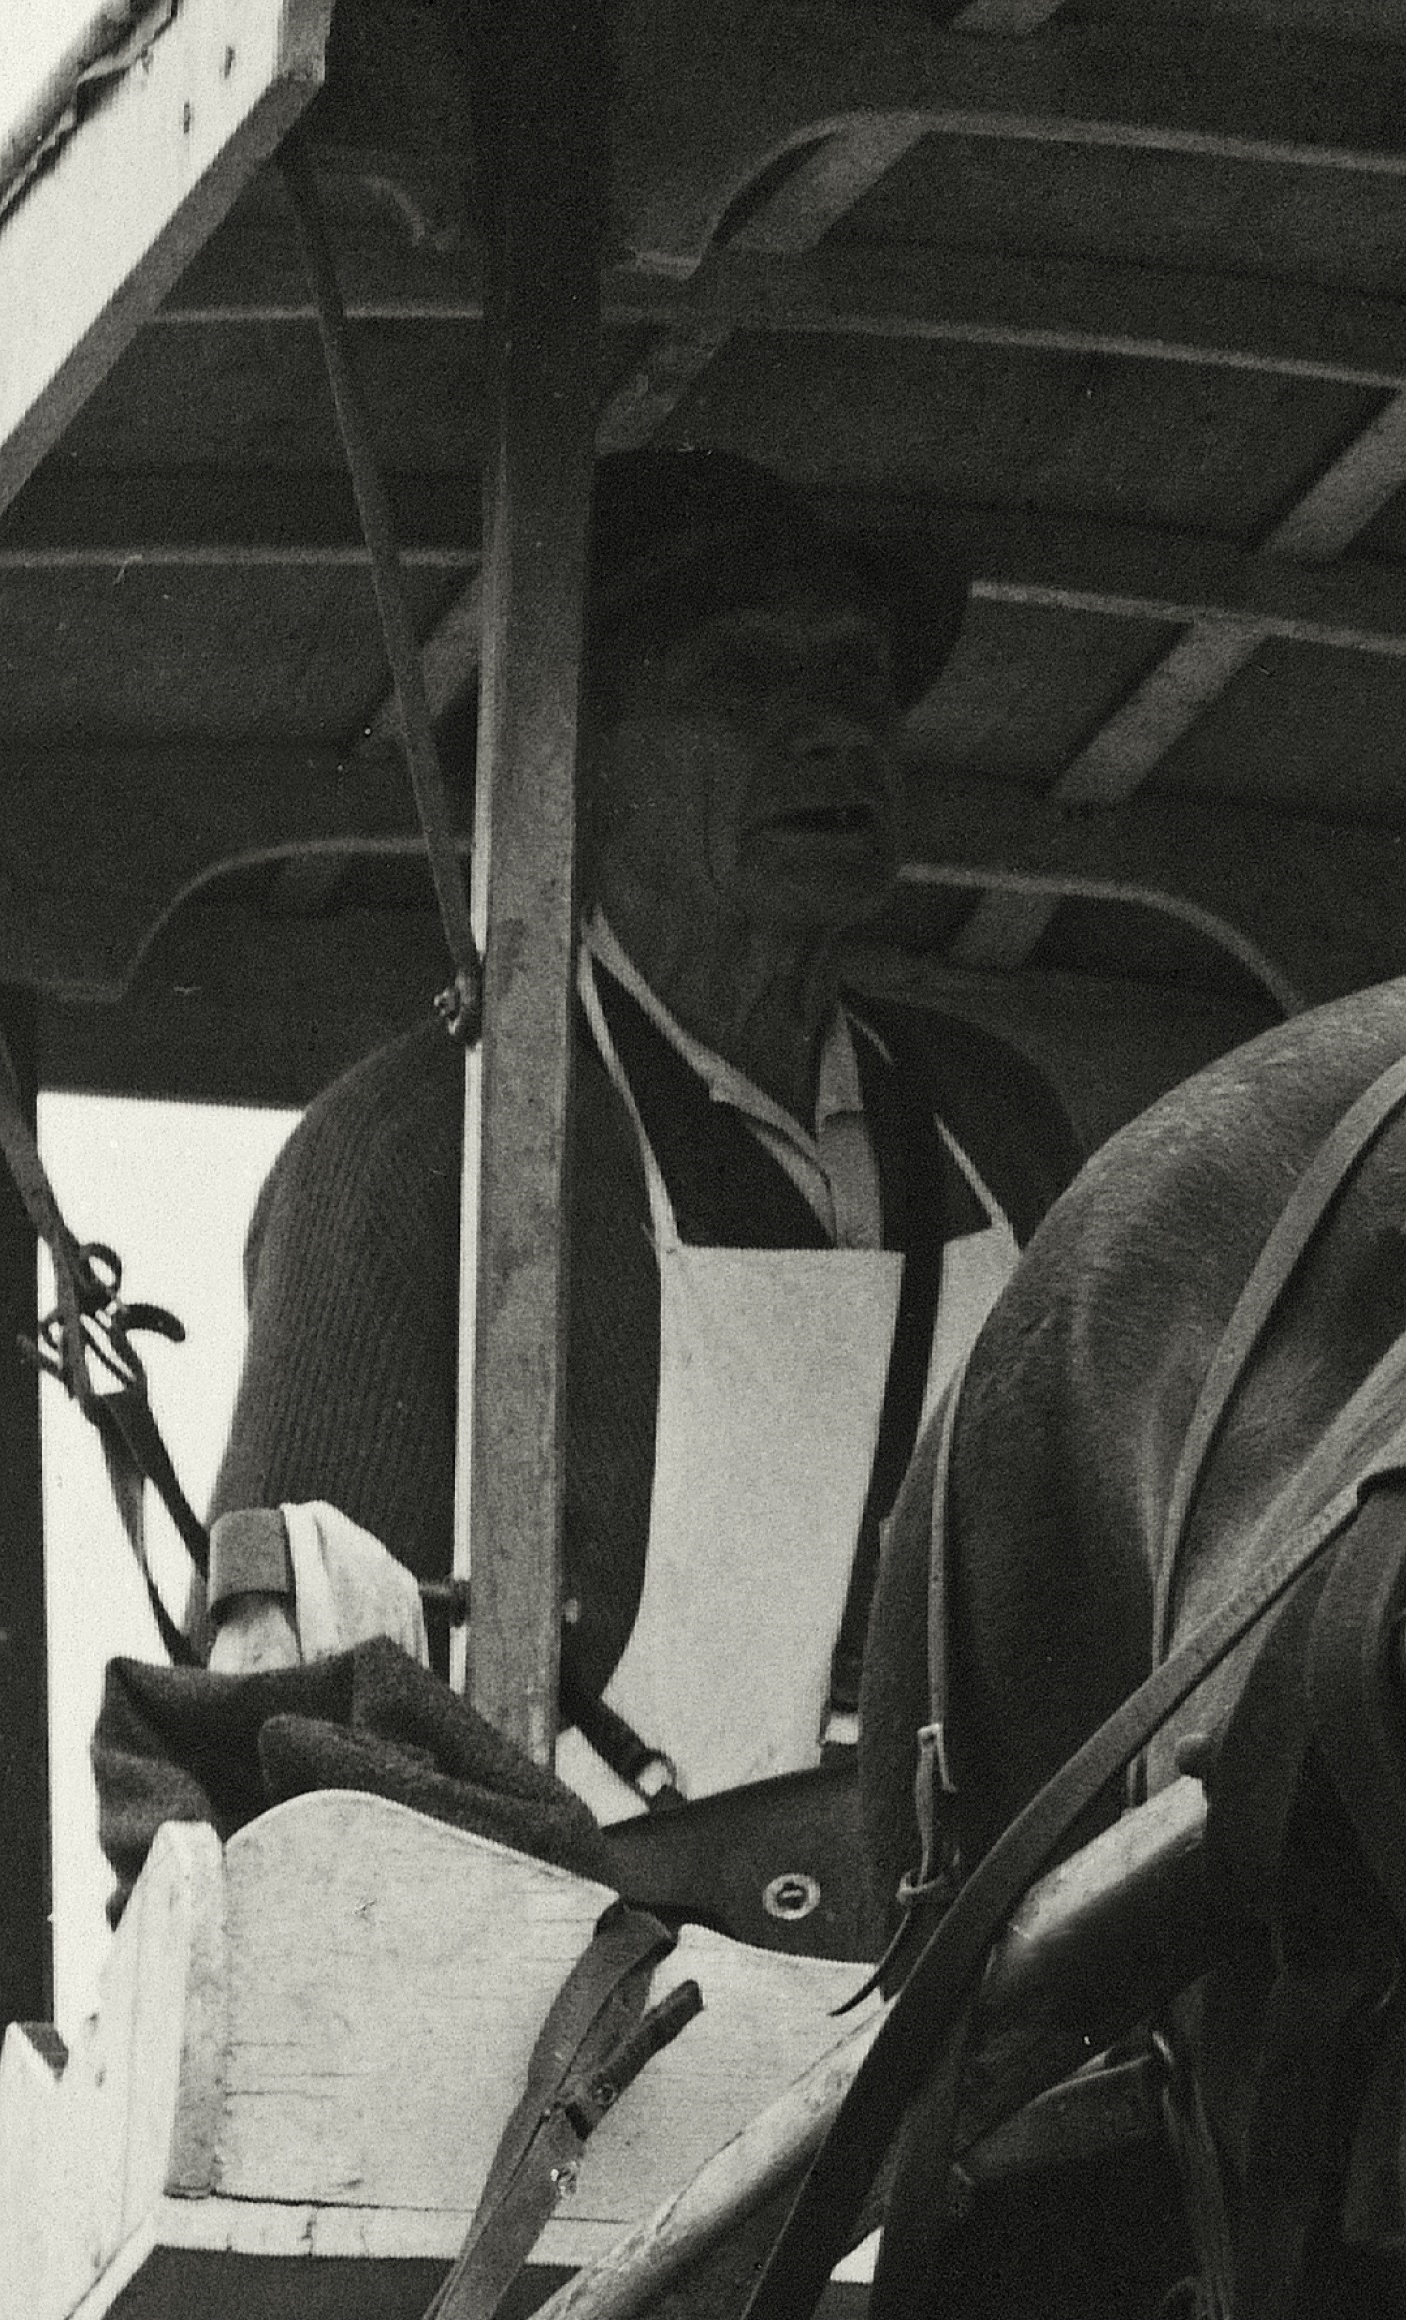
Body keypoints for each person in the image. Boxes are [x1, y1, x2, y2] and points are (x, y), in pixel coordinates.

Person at [207, 450, 1076, 1926]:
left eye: (859, 681)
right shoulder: (423, 1147)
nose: (832, 733)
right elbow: (282, 1714)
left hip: (1007, 1986)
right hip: (590, 2032)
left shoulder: (999, 1123)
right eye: (743, 681)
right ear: (574, 752)